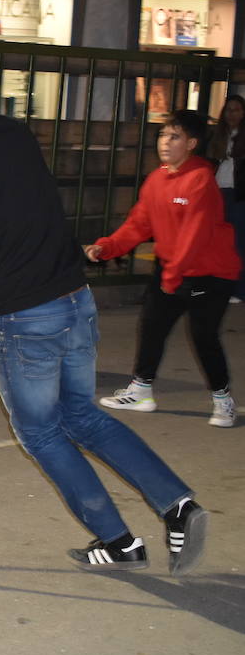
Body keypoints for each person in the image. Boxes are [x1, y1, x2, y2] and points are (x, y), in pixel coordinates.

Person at [0, 51, 206, 575]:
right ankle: (178, 504)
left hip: (25, 318)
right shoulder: (12, 135)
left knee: (41, 433)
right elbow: (2, 199)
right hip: (73, 300)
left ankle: (118, 540)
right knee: (82, 415)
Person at [87, 109, 239, 428]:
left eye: (174, 136)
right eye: (162, 135)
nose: (165, 142)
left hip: (210, 274)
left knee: (203, 336)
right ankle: (142, 391)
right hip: (173, 268)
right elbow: (139, 224)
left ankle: (223, 401)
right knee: (152, 326)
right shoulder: (158, 178)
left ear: (192, 143)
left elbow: (194, 235)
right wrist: (108, 246)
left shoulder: (201, 180)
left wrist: (172, 276)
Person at [207, 93, 245, 303]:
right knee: (219, 240)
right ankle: (219, 284)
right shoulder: (218, 135)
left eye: (237, 109)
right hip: (219, 190)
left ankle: (239, 289)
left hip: (238, 192)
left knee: (238, 241)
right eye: (229, 110)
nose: (232, 114)